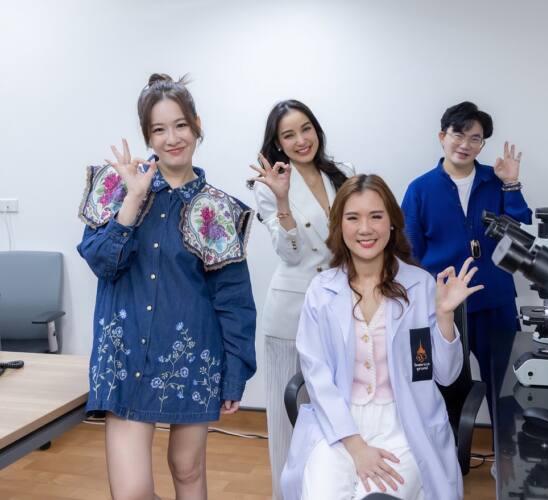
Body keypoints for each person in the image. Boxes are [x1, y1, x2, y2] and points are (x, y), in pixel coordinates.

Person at [77, 73, 257, 499]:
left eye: (180, 125)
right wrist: (132, 201)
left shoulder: (216, 208)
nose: (172, 138)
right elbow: (101, 262)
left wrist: (234, 374)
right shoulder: (116, 186)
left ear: (197, 125)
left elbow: (233, 299)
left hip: (191, 357)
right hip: (125, 355)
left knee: (187, 469)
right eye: (159, 129)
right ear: (148, 136)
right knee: (132, 493)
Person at [281, 174, 482, 500]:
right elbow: (317, 377)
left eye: (376, 216)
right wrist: (356, 445)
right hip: (339, 423)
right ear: (339, 225)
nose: (365, 228)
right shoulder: (322, 290)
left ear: (392, 223)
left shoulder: (419, 285)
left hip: (404, 424)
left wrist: (445, 316)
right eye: (353, 218)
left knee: (378, 496)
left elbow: (445, 375)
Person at [400, 101, 532, 438]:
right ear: (442, 136)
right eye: (458, 134)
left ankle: (505, 454)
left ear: (482, 145)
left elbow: (519, 232)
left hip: (494, 300)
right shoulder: (420, 189)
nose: (465, 144)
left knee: (505, 385)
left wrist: (511, 184)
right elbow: (409, 252)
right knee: (441, 385)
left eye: (475, 138)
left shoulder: (495, 181)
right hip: (442, 306)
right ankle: (445, 454)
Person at [248, 99, 353, 499]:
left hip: (342, 307)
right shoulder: (267, 186)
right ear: (277, 143)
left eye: (306, 129)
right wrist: (281, 200)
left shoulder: (343, 173)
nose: (301, 140)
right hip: (292, 312)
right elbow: (289, 253)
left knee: (338, 410)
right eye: (288, 135)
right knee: (288, 418)